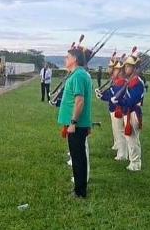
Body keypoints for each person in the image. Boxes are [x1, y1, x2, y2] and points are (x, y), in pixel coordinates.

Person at [58, 47, 93, 199]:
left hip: (76, 126)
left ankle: (79, 192)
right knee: (79, 157)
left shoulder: (78, 75)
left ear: (75, 59)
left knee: (78, 158)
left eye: (68, 57)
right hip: (78, 125)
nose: (65, 59)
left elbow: (79, 101)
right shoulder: (78, 74)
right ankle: (79, 189)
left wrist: (73, 122)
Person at [112, 50, 145, 171]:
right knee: (130, 138)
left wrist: (120, 101)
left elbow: (132, 100)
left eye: (128, 66)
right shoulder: (131, 80)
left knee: (133, 139)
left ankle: (136, 163)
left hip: (133, 111)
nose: (126, 68)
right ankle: (133, 161)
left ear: (135, 67)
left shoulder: (137, 82)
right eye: (126, 65)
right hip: (128, 111)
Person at [97, 55, 128, 161]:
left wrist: (104, 96)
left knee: (120, 132)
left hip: (117, 109)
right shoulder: (118, 81)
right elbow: (111, 93)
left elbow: (113, 95)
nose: (113, 71)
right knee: (117, 131)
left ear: (120, 71)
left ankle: (122, 154)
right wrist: (102, 96)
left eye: (116, 69)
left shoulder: (121, 82)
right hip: (113, 108)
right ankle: (120, 149)